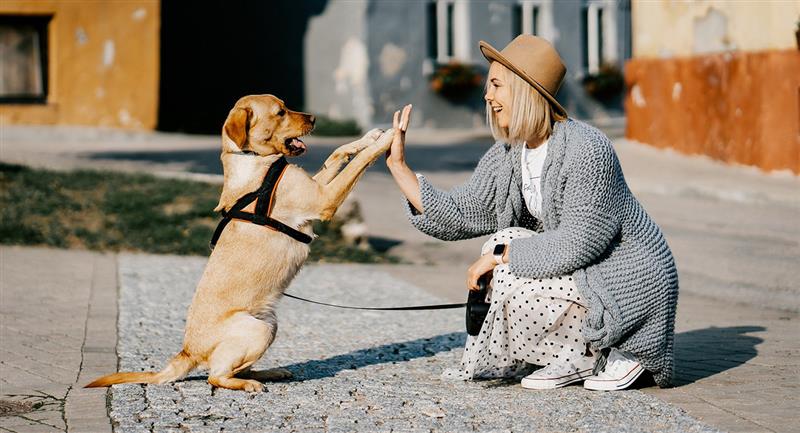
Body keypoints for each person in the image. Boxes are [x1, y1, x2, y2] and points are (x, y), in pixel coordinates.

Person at [384, 35, 678, 391]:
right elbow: (462, 212)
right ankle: (570, 354)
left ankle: (605, 350)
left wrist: (499, 258)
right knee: (502, 241)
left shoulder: (588, 149)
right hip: (584, 274)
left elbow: (579, 243)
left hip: (626, 280)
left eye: (496, 85)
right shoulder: (510, 153)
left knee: (504, 256)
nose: (487, 96)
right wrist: (400, 168)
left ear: (524, 89)